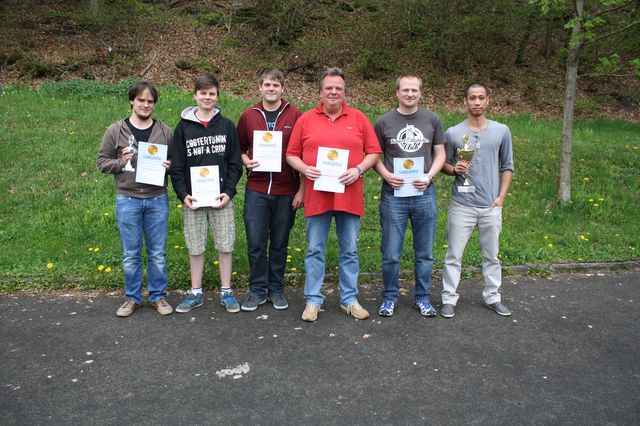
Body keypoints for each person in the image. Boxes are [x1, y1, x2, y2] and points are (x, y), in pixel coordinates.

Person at [286, 67, 381, 322]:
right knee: (315, 250)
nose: (333, 92)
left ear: (345, 93)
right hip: (317, 196)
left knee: (349, 251)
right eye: (329, 87)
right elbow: (291, 154)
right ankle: (313, 301)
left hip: (349, 195)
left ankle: (349, 299)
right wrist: (305, 169)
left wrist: (358, 170)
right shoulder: (306, 119)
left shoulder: (358, 118)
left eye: (338, 88)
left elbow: (374, 151)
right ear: (320, 92)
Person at [97, 80, 174, 317]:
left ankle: (158, 296)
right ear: (132, 101)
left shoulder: (164, 131)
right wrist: (122, 162)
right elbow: (102, 163)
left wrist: (170, 165)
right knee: (130, 254)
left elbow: (177, 162)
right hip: (127, 199)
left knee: (157, 253)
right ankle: (132, 297)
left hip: (157, 198)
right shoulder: (116, 130)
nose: (146, 104)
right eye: (141, 100)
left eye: (150, 101)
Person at [373, 74, 446, 317]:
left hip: (423, 193)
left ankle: (423, 298)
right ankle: (389, 297)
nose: (410, 94)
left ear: (420, 93)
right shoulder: (384, 122)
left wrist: (429, 175)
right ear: (397, 93)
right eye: (405, 90)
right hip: (393, 195)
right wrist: (386, 175)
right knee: (391, 253)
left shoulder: (432, 119)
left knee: (424, 253)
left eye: (414, 90)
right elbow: (373, 155)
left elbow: (440, 154)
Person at [440, 82, 514, 318]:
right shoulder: (453, 133)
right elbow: (443, 163)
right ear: (465, 102)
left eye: (481, 98)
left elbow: (507, 165)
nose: (477, 102)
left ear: (488, 101)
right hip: (462, 205)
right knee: (454, 255)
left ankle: (493, 297)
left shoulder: (501, 131)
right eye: (472, 98)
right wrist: (454, 169)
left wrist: (501, 197)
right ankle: (448, 299)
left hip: (490, 206)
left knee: (491, 256)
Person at [171, 74, 243, 314]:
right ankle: (195, 292)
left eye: (212, 93)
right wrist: (183, 195)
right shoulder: (183, 128)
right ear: (195, 95)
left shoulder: (227, 126)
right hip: (193, 200)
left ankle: (226, 291)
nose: (207, 97)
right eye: (203, 93)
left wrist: (229, 192)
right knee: (195, 246)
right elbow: (177, 167)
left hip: (221, 198)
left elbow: (235, 165)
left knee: (225, 244)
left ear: (217, 96)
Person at [237, 69, 303, 312]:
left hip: (286, 190)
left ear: (283, 88)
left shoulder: (296, 115)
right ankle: (256, 290)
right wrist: (246, 161)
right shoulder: (248, 116)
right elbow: (239, 148)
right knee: (255, 243)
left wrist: (302, 191)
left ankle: (276, 289)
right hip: (257, 189)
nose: (271, 89)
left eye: (276, 85)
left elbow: (304, 155)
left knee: (279, 243)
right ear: (260, 87)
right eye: (267, 84)